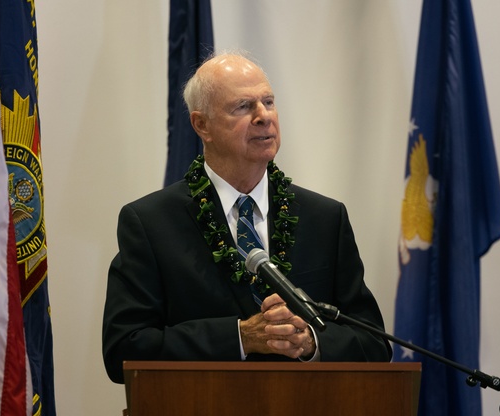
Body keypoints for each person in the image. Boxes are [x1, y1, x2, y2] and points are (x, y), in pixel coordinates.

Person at [101, 52, 391, 384]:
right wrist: (239, 337)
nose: (263, 116)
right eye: (243, 106)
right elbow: (124, 348)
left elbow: (374, 344)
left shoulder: (325, 219)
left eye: (268, 102)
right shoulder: (150, 223)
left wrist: (312, 342)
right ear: (202, 125)